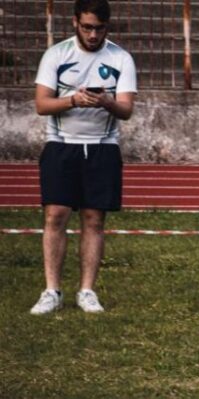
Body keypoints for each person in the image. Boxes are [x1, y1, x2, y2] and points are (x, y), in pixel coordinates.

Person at [29, 0, 136, 315]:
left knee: (93, 219)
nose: (92, 34)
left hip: (103, 146)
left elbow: (126, 110)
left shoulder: (120, 58)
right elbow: (41, 104)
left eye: (99, 28)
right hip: (62, 144)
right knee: (55, 215)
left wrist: (106, 102)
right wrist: (73, 100)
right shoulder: (56, 54)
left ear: (108, 26)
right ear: (75, 22)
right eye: (87, 27)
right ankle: (52, 290)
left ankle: (87, 290)